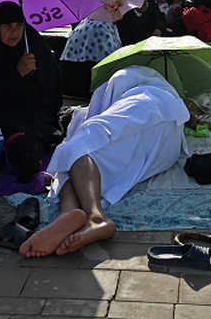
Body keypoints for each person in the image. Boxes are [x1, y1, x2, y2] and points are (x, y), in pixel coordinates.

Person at [20, 67, 188, 257]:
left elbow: (100, 124)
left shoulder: (135, 90)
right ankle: (70, 214)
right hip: (164, 153)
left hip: (140, 126)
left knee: (71, 149)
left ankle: (92, 216)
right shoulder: (169, 99)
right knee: (84, 158)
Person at [0, 1, 63, 182]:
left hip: (36, 112)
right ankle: (28, 155)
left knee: (42, 128)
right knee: (7, 127)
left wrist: (33, 79)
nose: (14, 31)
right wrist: (18, 73)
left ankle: (32, 153)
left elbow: (52, 89)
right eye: (7, 26)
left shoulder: (34, 44)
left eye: (18, 26)